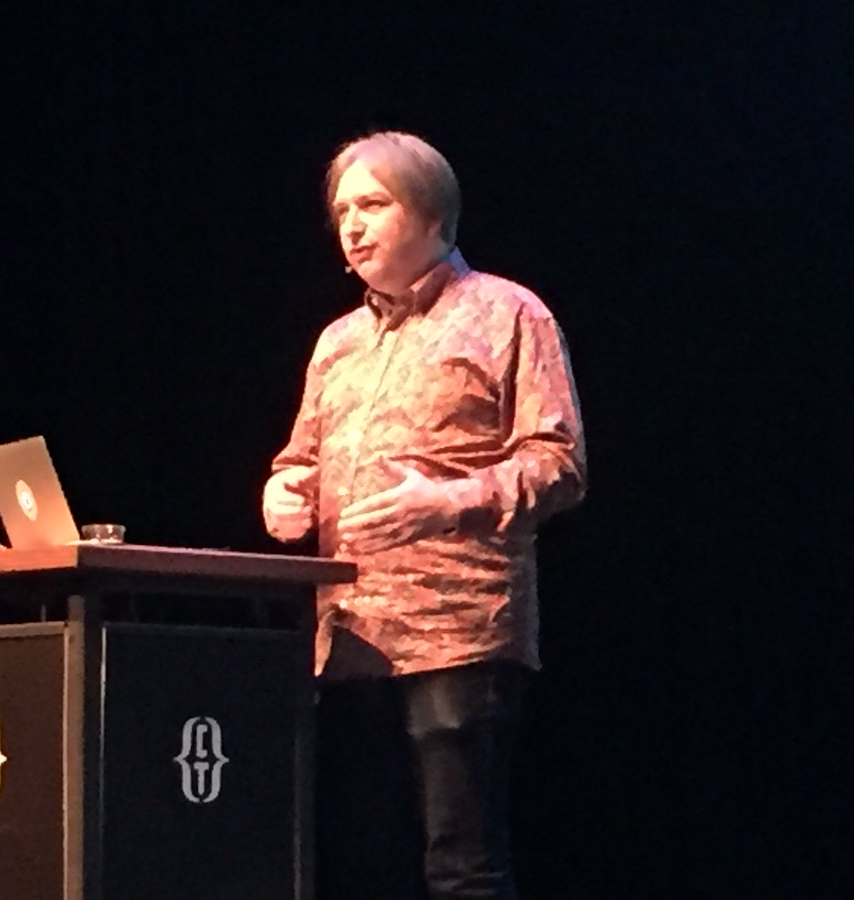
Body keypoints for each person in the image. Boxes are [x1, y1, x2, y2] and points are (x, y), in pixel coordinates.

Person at [262, 131, 586, 900]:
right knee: (359, 863)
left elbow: (560, 464)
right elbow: (297, 459)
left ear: (432, 213)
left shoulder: (509, 314)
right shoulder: (337, 343)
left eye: (373, 205)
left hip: (457, 633)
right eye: (344, 210)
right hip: (348, 640)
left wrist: (446, 501)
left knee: (460, 866)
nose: (352, 226)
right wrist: (282, 492)